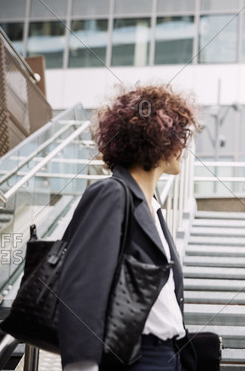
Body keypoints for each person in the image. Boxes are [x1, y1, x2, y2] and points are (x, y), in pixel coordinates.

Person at [57, 84, 199, 371]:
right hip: (138, 357)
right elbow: (82, 288)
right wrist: (81, 367)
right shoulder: (112, 194)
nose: (184, 144)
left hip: (167, 355)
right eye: (180, 134)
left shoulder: (152, 207)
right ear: (159, 138)